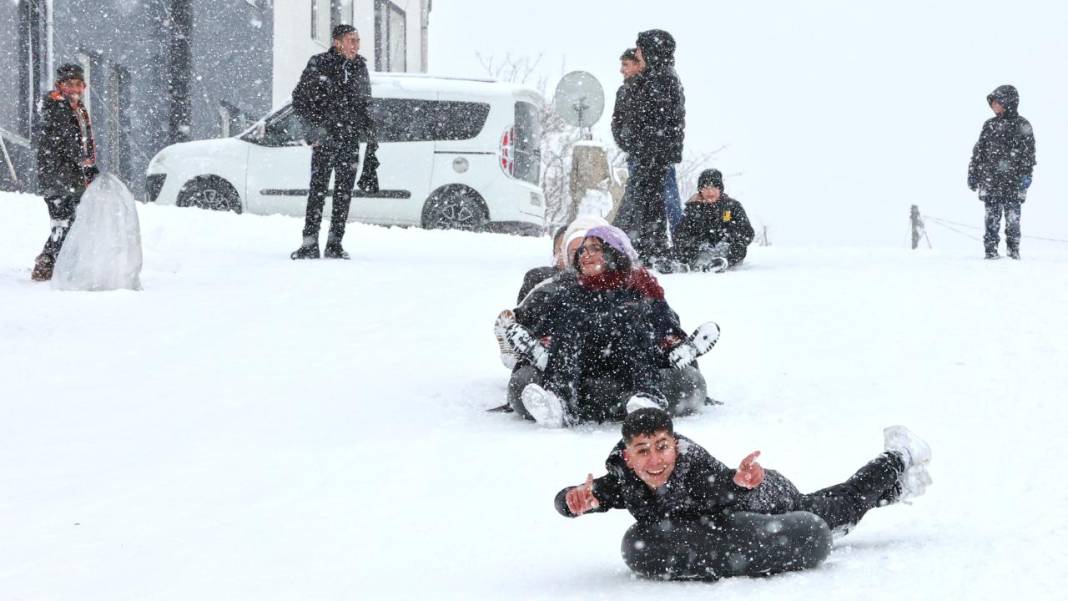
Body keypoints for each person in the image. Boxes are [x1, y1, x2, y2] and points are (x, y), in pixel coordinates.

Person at [555, 408, 933, 581]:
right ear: (627, 456)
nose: (655, 460)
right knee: (837, 503)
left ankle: (899, 456)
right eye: (643, 450)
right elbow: (580, 499)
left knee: (841, 507)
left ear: (675, 444)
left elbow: (720, 492)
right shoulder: (625, 480)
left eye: (662, 446)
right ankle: (898, 488)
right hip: (741, 502)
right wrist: (573, 501)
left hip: (765, 498)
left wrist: (738, 483)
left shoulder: (696, 470)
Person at [504, 226, 718, 427]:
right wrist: (539, 350)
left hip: (631, 373)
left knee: (631, 316)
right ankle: (559, 403)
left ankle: (647, 398)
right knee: (571, 321)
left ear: (613, 253)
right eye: (582, 250)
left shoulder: (641, 288)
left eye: (594, 249)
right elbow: (549, 330)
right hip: (583, 374)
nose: (585, 255)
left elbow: (666, 327)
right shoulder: (569, 292)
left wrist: (677, 349)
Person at [290, 24, 376, 260]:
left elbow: (366, 102)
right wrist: (313, 133)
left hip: (349, 140)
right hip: (325, 138)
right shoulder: (319, 63)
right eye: (351, 40)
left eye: (358, 40)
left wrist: (369, 134)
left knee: (344, 194)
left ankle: (334, 244)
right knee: (317, 191)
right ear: (337, 42)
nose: (356, 45)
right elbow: (299, 100)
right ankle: (309, 244)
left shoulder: (360, 67)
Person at [612, 30, 685, 265]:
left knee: (648, 202)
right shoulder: (652, 79)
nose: (638, 54)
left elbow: (657, 123)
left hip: (653, 157)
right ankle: (645, 247)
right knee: (646, 203)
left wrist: (645, 148)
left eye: (641, 49)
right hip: (648, 155)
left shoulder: (660, 80)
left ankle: (628, 248)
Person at [31, 63, 99, 282]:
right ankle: (54, 267)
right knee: (63, 222)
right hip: (57, 176)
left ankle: (51, 262)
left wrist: (87, 165)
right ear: (60, 85)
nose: (75, 89)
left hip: (73, 176)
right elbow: (66, 142)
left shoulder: (75, 108)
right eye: (70, 84)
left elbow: (82, 140)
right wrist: (85, 164)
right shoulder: (55, 106)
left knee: (74, 221)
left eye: (79, 84)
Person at [967, 85, 1036, 260]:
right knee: (991, 218)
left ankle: (1013, 252)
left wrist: (1026, 175)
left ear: (1008, 102)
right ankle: (990, 252)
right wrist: (973, 172)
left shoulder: (1023, 125)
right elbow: (979, 151)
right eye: (992, 103)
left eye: (997, 102)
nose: (993, 106)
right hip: (990, 180)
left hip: (1013, 182)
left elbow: (1028, 154)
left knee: (1013, 219)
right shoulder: (989, 125)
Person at [670, 168, 755, 272]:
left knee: (735, 247)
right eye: (706, 188)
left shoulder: (732, 206)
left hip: (726, 248)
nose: (710, 192)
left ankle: (720, 262)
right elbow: (680, 233)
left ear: (720, 189)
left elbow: (747, 232)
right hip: (699, 248)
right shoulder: (692, 208)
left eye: (714, 187)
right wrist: (693, 241)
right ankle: (678, 264)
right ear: (700, 190)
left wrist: (730, 234)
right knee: (678, 248)